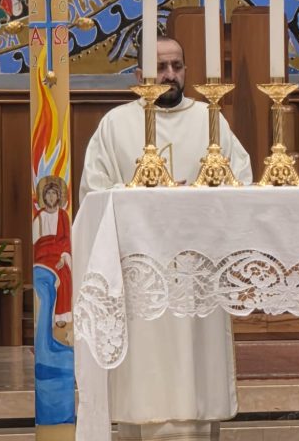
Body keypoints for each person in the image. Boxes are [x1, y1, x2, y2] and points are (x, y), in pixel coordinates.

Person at [80, 36, 252, 441]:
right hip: (140, 280)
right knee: (144, 386)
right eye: (160, 67)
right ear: (140, 73)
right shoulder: (116, 124)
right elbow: (94, 193)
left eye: (176, 66)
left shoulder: (210, 120)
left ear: (186, 71)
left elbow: (241, 185)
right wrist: (141, 196)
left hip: (197, 277)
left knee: (196, 389)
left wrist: (200, 196)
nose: (169, 75)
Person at [32, 175, 72, 332]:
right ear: (43, 196)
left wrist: (63, 256)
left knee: (65, 275)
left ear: (58, 196)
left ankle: (60, 315)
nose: (50, 196)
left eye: (54, 193)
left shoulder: (63, 215)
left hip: (58, 254)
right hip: (43, 256)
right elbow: (36, 242)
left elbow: (66, 239)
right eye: (48, 193)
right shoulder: (39, 216)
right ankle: (46, 318)